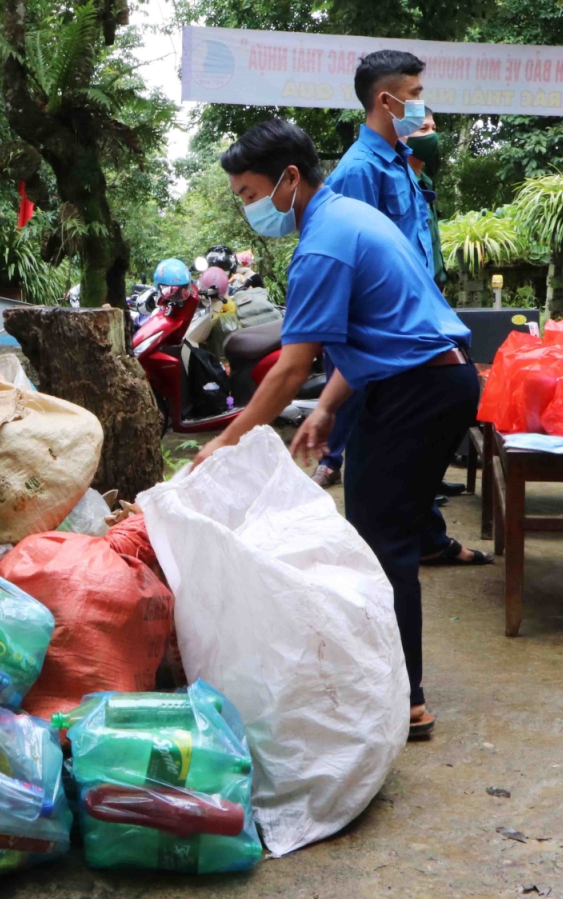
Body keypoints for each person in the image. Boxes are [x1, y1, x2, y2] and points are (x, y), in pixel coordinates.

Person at [192, 118, 479, 737]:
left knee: (383, 544)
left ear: (289, 178)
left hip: (418, 390)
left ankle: (406, 700)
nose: (248, 209)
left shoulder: (322, 244)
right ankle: (392, 684)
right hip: (427, 380)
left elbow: (292, 368)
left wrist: (224, 440)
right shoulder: (348, 216)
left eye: (248, 194)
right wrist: (327, 408)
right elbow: (376, 329)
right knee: (380, 532)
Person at [310, 52, 489, 567]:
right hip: (385, 348)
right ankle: (401, 550)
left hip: (416, 335)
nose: (421, 104)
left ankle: (425, 539)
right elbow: (354, 278)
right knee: (381, 477)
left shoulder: (398, 161)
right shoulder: (359, 172)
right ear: (385, 101)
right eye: (413, 95)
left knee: (413, 459)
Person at [406, 108, 447, 289]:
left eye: (434, 128)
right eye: (423, 129)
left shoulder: (426, 181)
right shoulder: (398, 181)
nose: (431, 136)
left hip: (433, 286)